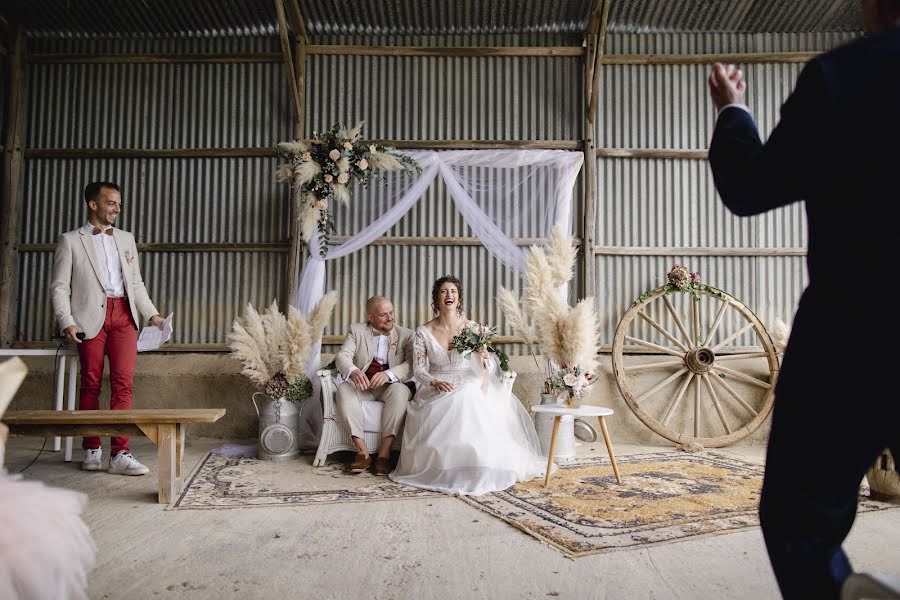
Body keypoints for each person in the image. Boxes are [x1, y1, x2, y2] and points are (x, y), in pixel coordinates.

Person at [707, 2, 900, 598]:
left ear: (875, 6)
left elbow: (750, 186)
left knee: (799, 516)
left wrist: (732, 111)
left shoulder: (845, 76)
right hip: (854, 325)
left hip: (856, 327)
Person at [389, 275, 545, 495]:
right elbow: (419, 369)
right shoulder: (423, 332)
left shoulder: (473, 327)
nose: (449, 295)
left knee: (467, 394)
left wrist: (483, 357)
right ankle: (447, 468)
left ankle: (479, 463)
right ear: (437, 298)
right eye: (443, 291)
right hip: (436, 383)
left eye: (453, 291)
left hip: (468, 379)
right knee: (458, 397)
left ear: (459, 298)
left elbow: (488, 369)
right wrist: (434, 381)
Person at [50, 181, 165, 476]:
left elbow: (135, 282)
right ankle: (91, 448)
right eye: (111, 203)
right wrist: (67, 321)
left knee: (123, 384)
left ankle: (120, 454)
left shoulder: (126, 239)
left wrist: (153, 316)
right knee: (90, 383)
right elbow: (60, 287)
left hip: (124, 315)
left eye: (119, 203)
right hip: (89, 319)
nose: (117, 209)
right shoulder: (70, 240)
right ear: (93, 204)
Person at [334, 295, 415, 475]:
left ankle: (384, 455)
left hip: (390, 387)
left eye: (391, 313)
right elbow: (342, 356)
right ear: (370, 317)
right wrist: (354, 371)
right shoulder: (356, 331)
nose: (390, 318)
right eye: (383, 315)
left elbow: (411, 365)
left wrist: (388, 374)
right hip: (363, 387)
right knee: (343, 389)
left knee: (401, 391)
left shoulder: (407, 335)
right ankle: (362, 453)